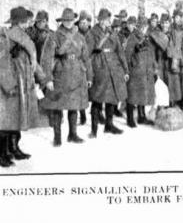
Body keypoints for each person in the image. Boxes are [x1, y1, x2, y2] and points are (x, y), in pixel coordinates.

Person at [0, 6, 48, 167]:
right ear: (19, 21)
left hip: (23, 83)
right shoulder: (6, 37)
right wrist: (9, 84)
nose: (29, 22)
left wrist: (42, 78)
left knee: (16, 117)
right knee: (6, 120)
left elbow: (33, 61)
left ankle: (14, 149)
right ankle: (2, 154)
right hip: (11, 85)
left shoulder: (23, 36)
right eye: (26, 20)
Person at [40, 8, 93, 146]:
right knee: (58, 106)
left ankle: (73, 134)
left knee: (74, 106)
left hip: (77, 74)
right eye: (66, 20)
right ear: (62, 21)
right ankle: (57, 137)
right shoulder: (54, 36)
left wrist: (89, 77)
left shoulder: (80, 37)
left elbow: (86, 58)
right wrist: (48, 79)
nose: (68, 23)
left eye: (70, 20)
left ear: (73, 21)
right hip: (60, 74)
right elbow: (46, 59)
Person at [85, 8, 128, 136]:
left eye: (108, 20)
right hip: (99, 68)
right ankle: (93, 130)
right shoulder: (92, 33)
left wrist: (125, 69)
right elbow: (87, 54)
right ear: (99, 20)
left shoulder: (112, 33)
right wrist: (90, 72)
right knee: (97, 99)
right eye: (104, 20)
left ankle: (109, 125)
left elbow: (120, 52)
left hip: (113, 69)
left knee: (112, 99)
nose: (107, 22)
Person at [125, 16, 156, 127]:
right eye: (141, 26)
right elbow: (127, 56)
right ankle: (129, 119)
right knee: (132, 96)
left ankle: (141, 117)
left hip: (145, 71)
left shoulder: (146, 38)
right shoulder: (132, 38)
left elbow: (151, 55)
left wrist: (154, 68)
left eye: (145, 26)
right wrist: (127, 70)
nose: (143, 28)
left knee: (142, 95)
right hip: (135, 71)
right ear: (138, 26)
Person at [75, 10, 93, 125]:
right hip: (78, 65)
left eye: (85, 23)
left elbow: (91, 49)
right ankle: (82, 114)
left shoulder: (91, 35)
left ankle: (96, 113)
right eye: (81, 23)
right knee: (79, 91)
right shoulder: (75, 34)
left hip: (90, 64)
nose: (83, 25)